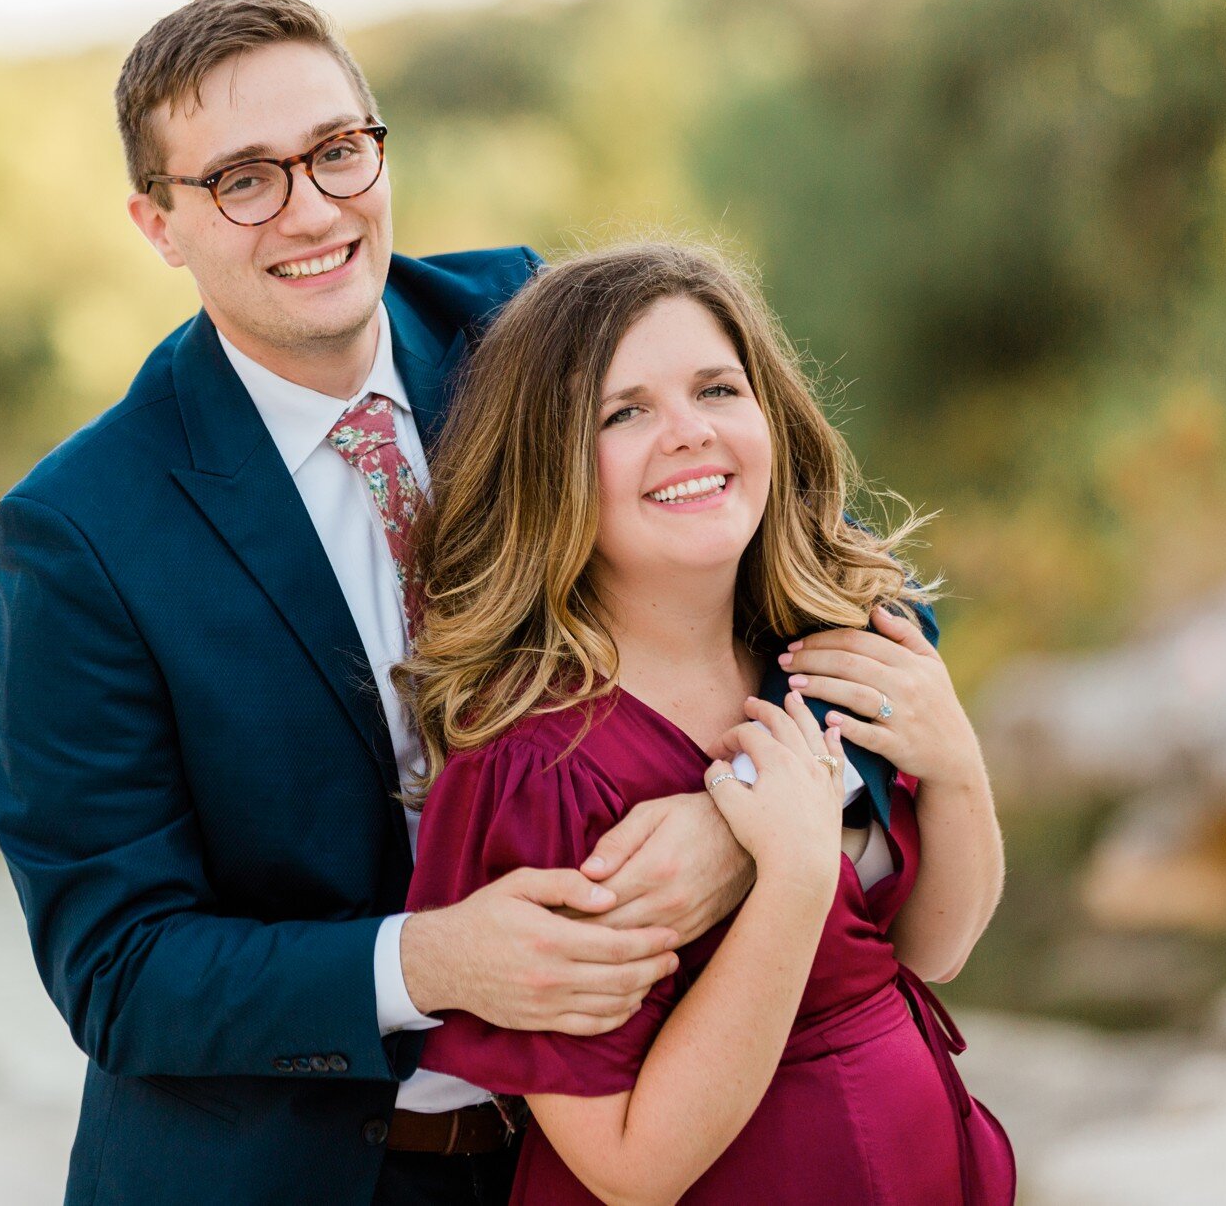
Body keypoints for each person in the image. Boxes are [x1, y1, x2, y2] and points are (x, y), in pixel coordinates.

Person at [0, 0, 757, 1206]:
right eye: (242, 179)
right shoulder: (82, 530)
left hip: (606, 1146)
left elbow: (846, 597)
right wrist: (432, 961)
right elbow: (118, 969)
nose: (310, 208)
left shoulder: (531, 333)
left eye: (337, 151)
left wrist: (746, 826)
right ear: (159, 224)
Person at [397, 241, 1016, 1205]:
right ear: (548, 467)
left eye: (718, 390)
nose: (687, 432)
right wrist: (794, 874)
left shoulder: (828, 651)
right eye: (625, 412)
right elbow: (629, 1164)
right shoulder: (533, 761)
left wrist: (958, 764)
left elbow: (934, 950)